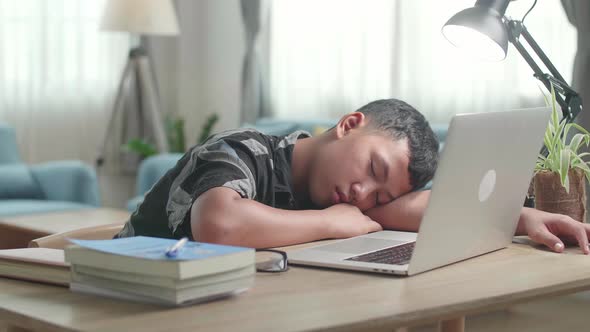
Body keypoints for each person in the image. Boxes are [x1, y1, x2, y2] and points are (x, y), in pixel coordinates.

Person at [115, 99, 590, 254]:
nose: (363, 195)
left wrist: (521, 215)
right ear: (348, 125)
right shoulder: (244, 150)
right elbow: (218, 224)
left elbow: (407, 210)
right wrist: (330, 223)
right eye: (373, 169)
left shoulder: (338, 192)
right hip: (119, 300)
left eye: (379, 194)